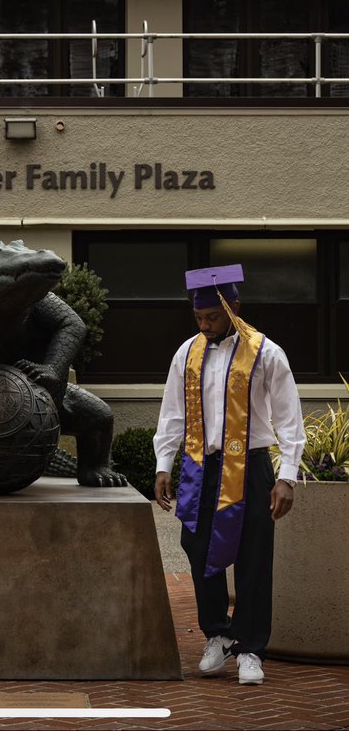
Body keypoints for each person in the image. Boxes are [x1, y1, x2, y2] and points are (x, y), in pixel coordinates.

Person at [154, 264, 305, 686]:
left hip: (252, 465)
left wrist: (286, 476)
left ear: (233, 306)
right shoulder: (187, 353)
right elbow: (172, 414)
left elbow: (290, 419)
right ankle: (217, 633)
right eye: (198, 318)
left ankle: (251, 648)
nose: (204, 326)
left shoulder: (266, 352)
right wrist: (164, 465)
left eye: (212, 317)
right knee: (198, 548)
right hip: (202, 467)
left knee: (255, 555)